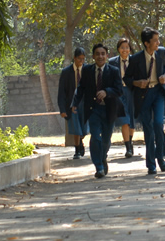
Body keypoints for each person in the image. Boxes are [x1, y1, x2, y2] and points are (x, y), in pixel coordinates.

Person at [71, 43, 122, 178]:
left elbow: (119, 90)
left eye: (103, 54)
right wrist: (75, 103)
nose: (100, 56)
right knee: (95, 137)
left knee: (106, 139)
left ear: (107, 56)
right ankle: (99, 167)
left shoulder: (114, 71)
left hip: (109, 109)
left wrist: (107, 92)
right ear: (93, 56)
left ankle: (103, 156)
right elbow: (81, 88)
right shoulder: (87, 70)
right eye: (97, 54)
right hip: (93, 109)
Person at [124, 27, 165, 175]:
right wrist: (137, 83)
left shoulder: (161, 52)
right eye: (155, 40)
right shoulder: (135, 59)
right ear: (146, 43)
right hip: (143, 95)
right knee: (148, 129)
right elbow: (127, 78)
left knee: (158, 124)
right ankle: (151, 165)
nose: (158, 43)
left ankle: (160, 158)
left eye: (158, 40)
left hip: (158, 93)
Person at [57, 47, 89, 159]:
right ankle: (77, 150)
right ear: (74, 58)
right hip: (72, 103)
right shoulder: (66, 72)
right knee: (76, 127)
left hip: (84, 103)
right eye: (79, 58)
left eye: (83, 59)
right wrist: (62, 109)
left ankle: (80, 141)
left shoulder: (87, 70)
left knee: (84, 129)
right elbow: (61, 92)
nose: (81, 61)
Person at [109, 38, 136, 158]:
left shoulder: (135, 61)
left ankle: (130, 141)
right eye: (122, 47)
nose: (125, 50)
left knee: (131, 121)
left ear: (130, 49)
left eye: (127, 47)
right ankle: (128, 147)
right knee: (124, 120)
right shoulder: (112, 62)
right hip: (119, 93)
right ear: (118, 49)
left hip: (132, 92)